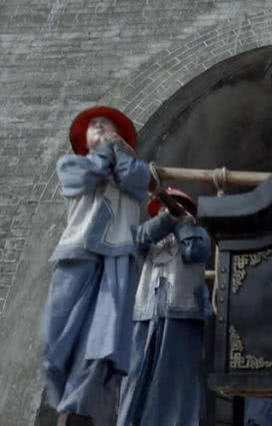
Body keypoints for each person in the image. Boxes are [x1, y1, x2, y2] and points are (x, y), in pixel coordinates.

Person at [42, 106, 150, 425]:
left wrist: (121, 153)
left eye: (107, 127)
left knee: (103, 341)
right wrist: (108, 151)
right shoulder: (71, 165)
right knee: (57, 340)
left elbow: (137, 182)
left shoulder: (134, 171)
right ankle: (67, 402)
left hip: (117, 259)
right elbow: (88, 176)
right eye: (96, 127)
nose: (102, 131)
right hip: (76, 255)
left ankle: (82, 410)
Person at [117, 187, 213, 426]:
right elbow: (136, 239)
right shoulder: (150, 242)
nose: (164, 212)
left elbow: (195, 251)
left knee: (176, 386)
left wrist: (182, 223)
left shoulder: (198, 235)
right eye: (161, 210)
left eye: (171, 208)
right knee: (135, 381)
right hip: (145, 318)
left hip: (181, 319)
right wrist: (169, 219)